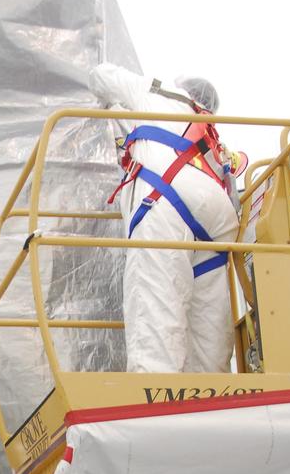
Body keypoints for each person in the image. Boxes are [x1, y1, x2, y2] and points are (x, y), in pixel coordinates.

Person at [88, 66, 247, 374]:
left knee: (157, 298)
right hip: (216, 217)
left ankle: (155, 396)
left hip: (166, 198)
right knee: (208, 316)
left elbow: (101, 75)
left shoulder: (156, 92)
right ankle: (214, 397)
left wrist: (105, 97)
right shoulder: (210, 134)